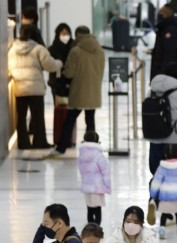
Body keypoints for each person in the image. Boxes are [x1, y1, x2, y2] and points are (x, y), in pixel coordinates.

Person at [146, 62, 177, 226]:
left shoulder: (152, 89)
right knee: (171, 178)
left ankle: (153, 200)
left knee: (157, 175)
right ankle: (167, 215)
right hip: (172, 143)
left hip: (154, 140)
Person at [50, 26, 105, 157]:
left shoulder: (76, 51)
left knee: (69, 120)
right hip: (94, 91)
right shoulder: (100, 50)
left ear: (78, 35)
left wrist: (63, 72)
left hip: (79, 91)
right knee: (90, 120)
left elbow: (69, 73)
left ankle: (61, 148)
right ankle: (92, 148)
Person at [7, 25, 61, 150]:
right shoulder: (38, 49)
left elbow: (9, 66)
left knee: (21, 117)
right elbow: (50, 65)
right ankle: (39, 141)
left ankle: (23, 143)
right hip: (35, 87)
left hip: (19, 87)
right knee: (37, 116)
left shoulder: (12, 49)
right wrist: (59, 63)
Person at [76, 131, 111, 225]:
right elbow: (105, 170)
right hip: (97, 186)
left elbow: (80, 168)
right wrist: (107, 185)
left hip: (87, 186)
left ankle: (90, 228)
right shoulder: (99, 155)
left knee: (89, 208)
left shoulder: (82, 154)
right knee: (97, 208)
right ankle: (97, 228)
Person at [150, 4, 177, 78]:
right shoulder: (165, 28)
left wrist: (164, 74)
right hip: (165, 73)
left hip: (166, 75)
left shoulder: (170, 30)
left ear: (165, 14)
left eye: (160, 13)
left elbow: (170, 53)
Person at [48, 23, 74, 103]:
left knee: (70, 110)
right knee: (59, 109)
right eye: (63, 33)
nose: (65, 36)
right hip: (57, 84)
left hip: (71, 83)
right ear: (58, 34)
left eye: (67, 33)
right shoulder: (52, 49)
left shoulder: (74, 47)